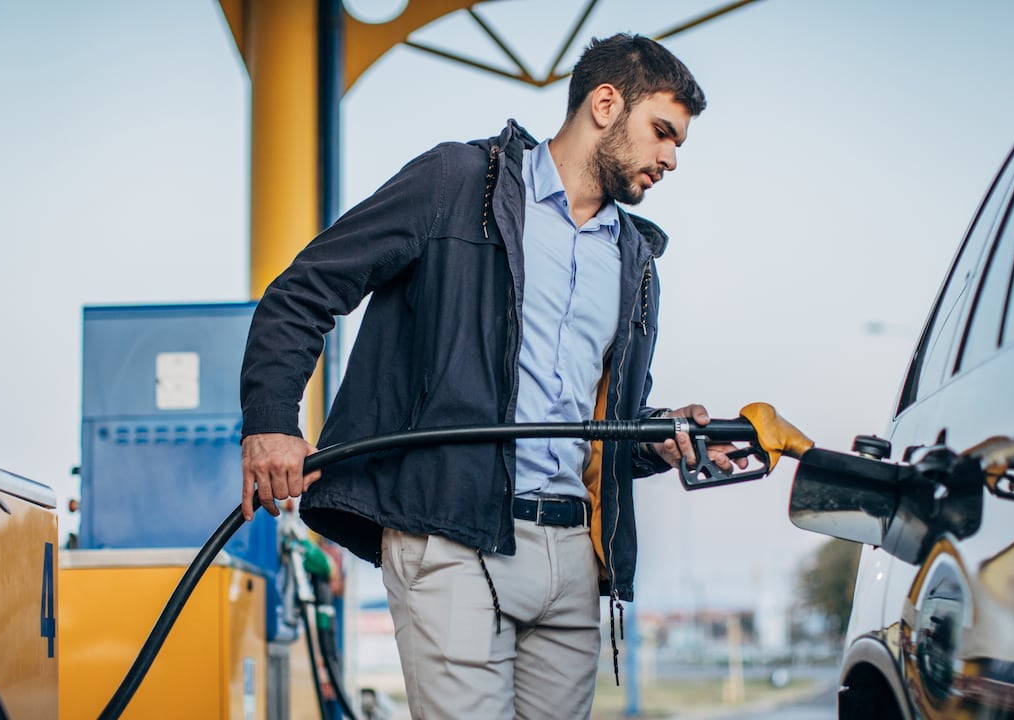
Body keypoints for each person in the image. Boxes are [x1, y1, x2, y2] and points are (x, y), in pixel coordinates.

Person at [241, 33, 740, 719]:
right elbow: (304, 290)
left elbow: (597, 422)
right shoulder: (457, 184)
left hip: (572, 554)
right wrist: (270, 422)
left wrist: (660, 437)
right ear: (604, 104)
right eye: (662, 132)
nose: (671, 159)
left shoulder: (634, 260)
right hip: (449, 534)